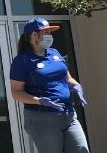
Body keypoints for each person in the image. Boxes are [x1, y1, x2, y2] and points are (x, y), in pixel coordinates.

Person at [9, 17, 90, 153]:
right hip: (42, 118)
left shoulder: (55, 53)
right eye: (46, 32)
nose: (50, 36)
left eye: (50, 32)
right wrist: (39, 101)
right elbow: (16, 92)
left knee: (81, 150)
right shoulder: (22, 61)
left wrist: (77, 87)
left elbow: (67, 78)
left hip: (68, 113)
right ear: (35, 35)